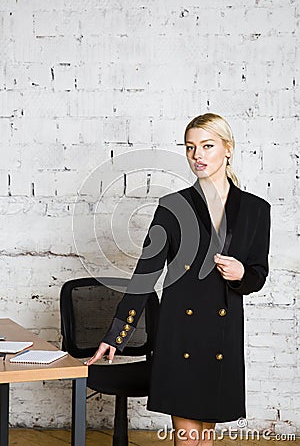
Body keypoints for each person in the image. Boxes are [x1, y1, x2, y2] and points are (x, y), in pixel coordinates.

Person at [85, 113, 271, 446]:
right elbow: (145, 274)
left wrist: (242, 274)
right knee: (187, 438)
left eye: (207, 146)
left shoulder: (257, 210)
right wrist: (116, 335)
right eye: (190, 148)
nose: (198, 155)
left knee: (206, 437)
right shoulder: (173, 207)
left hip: (222, 335)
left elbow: (258, 272)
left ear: (228, 149)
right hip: (179, 332)